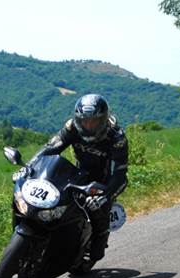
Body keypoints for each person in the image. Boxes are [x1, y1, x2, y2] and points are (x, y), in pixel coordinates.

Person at [31, 94, 128, 262]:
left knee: (97, 210)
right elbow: (51, 148)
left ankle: (99, 239)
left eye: (94, 121)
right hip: (78, 172)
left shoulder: (116, 138)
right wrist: (29, 166)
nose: (88, 125)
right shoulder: (71, 127)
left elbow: (120, 174)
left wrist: (105, 196)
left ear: (103, 120)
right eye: (84, 121)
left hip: (104, 180)